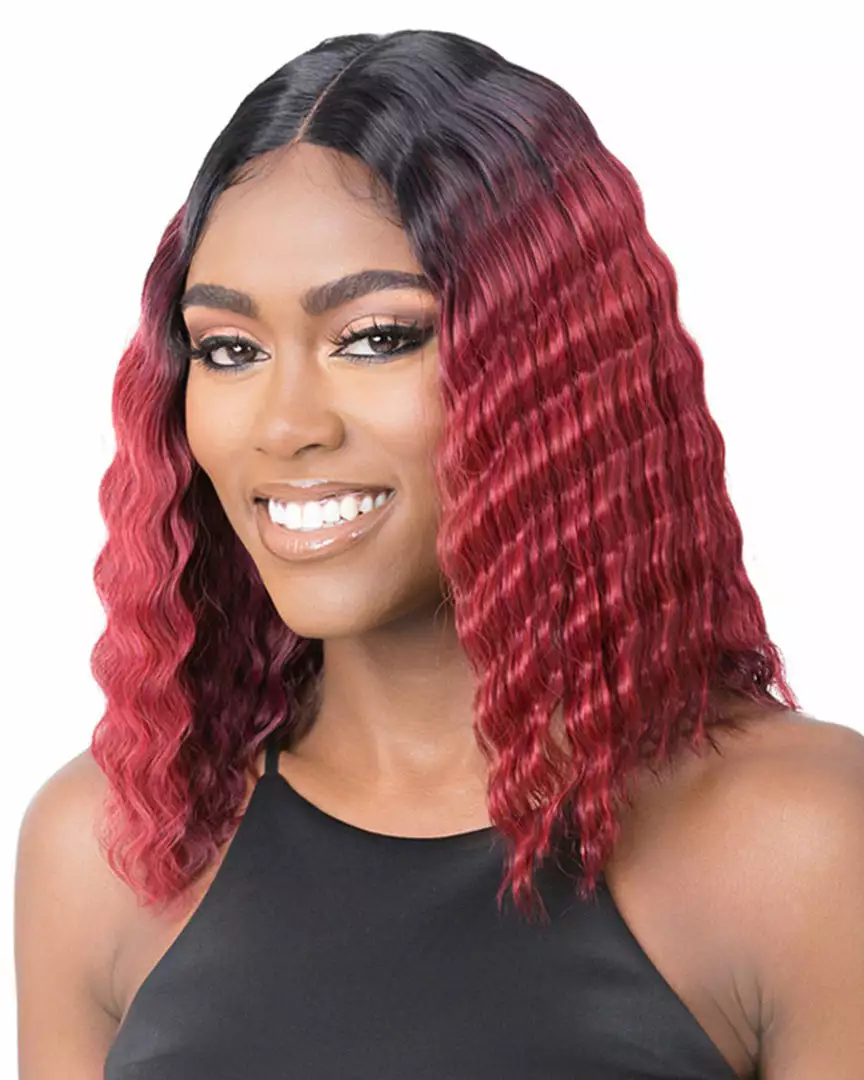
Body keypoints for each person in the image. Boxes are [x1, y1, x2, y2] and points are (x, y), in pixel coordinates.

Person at [14, 28, 864, 1080]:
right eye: (230, 349)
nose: (285, 425)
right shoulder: (110, 848)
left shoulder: (799, 842)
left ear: (552, 368)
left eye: (376, 338)